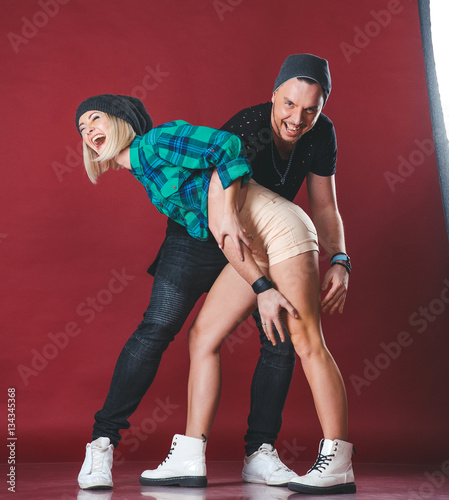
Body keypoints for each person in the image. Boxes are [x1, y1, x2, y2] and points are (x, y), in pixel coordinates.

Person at [77, 54, 354, 495]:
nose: (297, 117)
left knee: (289, 337)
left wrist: (338, 258)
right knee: (185, 333)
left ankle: (276, 453)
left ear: (322, 108)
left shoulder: (319, 133)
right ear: (273, 97)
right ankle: (159, 448)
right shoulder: (246, 126)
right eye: (288, 105)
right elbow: (219, 175)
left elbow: (322, 204)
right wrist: (240, 248)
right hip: (212, 235)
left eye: (310, 109)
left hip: (262, 232)